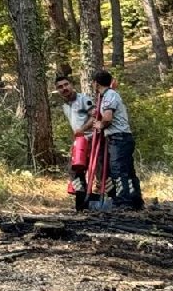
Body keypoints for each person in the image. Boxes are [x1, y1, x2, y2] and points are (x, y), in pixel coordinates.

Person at [93, 70, 143, 210]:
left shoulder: (109, 96)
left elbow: (108, 117)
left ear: (96, 83)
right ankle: (135, 201)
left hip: (118, 138)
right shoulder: (111, 94)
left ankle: (123, 202)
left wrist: (100, 124)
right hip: (123, 137)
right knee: (128, 171)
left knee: (118, 170)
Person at [55, 73, 96, 210]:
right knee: (75, 171)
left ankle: (113, 200)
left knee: (99, 170)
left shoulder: (84, 99)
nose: (64, 88)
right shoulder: (65, 106)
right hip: (79, 142)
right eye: (60, 87)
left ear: (72, 85)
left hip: (92, 140)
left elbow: (94, 116)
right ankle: (81, 202)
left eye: (66, 84)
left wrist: (83, 129)